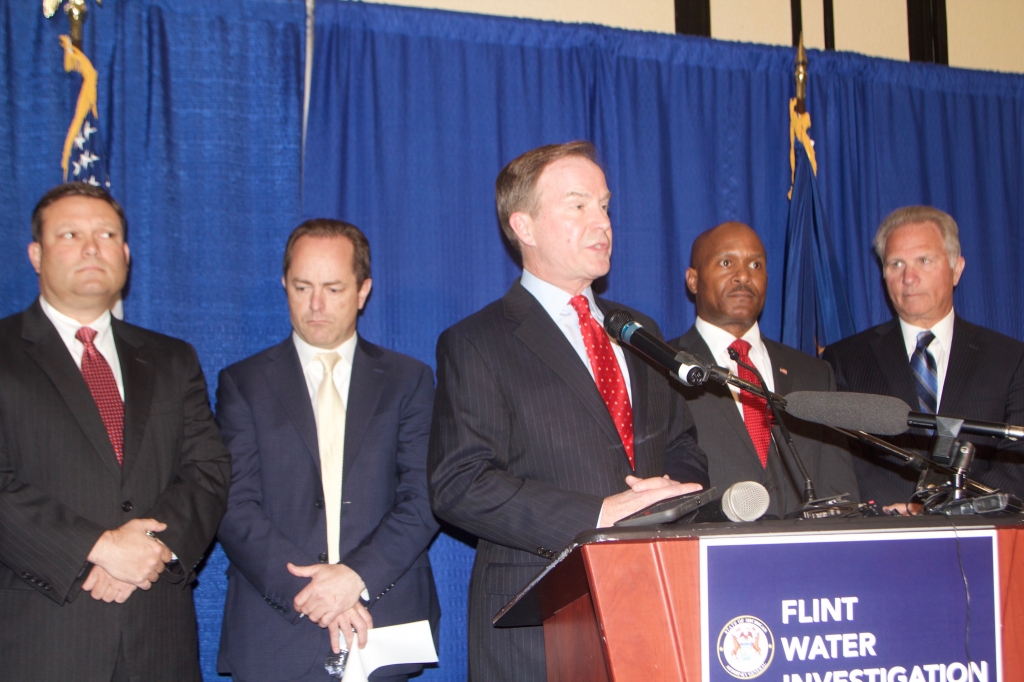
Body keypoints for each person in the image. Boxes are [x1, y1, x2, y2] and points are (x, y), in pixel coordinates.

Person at [428, 141, 709, 681]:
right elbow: (459, 484)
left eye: (604, 206)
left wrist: (670, 496)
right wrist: (598, 516)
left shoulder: (639, 331)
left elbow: (682, 443)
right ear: (524, 227)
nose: (601, 222)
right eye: (578, 205)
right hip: (539, 623)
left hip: (657, 603)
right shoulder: (478, 342)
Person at [0, 182, 231, 681]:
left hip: (157, 641)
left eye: (106, 234)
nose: (91, 247)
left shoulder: (173, 359)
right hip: (40, 642)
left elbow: (206, 472)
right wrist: (99, 548)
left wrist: (148, 551)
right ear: (36, 255)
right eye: (70, 234)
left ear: (125, 254)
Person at [216, 219, 440, 682]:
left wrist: (354, 578)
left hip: (381, 623)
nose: (316, 305)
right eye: (302, 287)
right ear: (284, 285)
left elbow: (425, 497)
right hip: (274, 631)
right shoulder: (243, 384)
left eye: (334, 289)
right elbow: (232, 507)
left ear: (363, 291)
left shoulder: (409, 381)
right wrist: (314, 592)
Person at [822, 206, 1024, 506]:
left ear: (956, 269)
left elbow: (1016, 461)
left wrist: (942, 509)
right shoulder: (844, 359)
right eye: (896, 264)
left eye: (924, 261)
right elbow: (839, 458)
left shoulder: (1009, 358)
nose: (909, 277)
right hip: (883, 533)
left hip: (978, 533)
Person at [668, 222, 858, 516]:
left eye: (755, 264)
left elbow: (840, 493)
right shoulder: (664, 368)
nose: (744, 276)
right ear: (693, 280)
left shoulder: (816, 374)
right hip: (713, 554)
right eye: (726, 262)